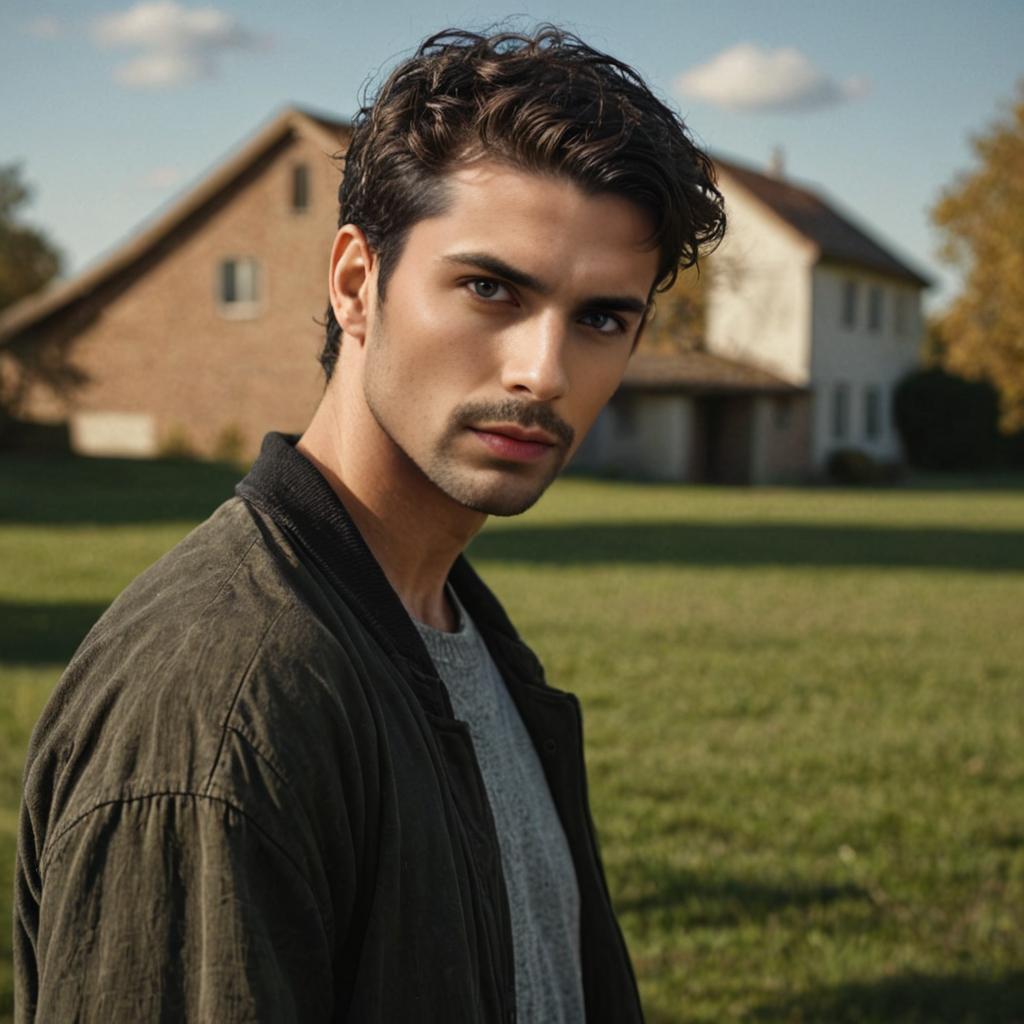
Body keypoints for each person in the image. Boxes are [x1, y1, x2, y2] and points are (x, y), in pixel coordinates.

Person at [14, 26, 725, 1023]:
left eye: (602, 319)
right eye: (490, 288)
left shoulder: (457, 630)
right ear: (355, 282)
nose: (546, 372)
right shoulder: (222, 703)